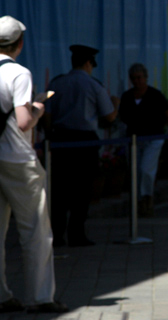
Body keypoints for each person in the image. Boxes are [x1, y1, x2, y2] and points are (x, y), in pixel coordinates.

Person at [0, 16, 68, 313]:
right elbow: (25, 121)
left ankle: (2, 296)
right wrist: (38, 106)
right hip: (18, 160)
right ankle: (40, 297)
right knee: (36, 232)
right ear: (20, 43)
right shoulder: (19, 73)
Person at [45, 44, 119, 247]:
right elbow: (110, 115)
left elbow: (47, 116)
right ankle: (77, 234)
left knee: (59, 191)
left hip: (60, 141)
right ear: (89, 63)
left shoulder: (56, 83)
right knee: (82, 190)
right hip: (85, 142)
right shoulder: (94, 85)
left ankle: (57, 236)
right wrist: (116, 102)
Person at [119, 63, 168, 217]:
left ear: (145, 77)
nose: (137, 81)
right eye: (134, 78)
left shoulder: (155, 95)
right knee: (135, 172)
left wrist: (156, 127)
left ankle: (147, 199)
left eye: (139, 78)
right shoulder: (127, 96)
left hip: (153, 139)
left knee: (146, 170)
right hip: (134, 140)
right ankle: (138, 202)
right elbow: (123, 117)